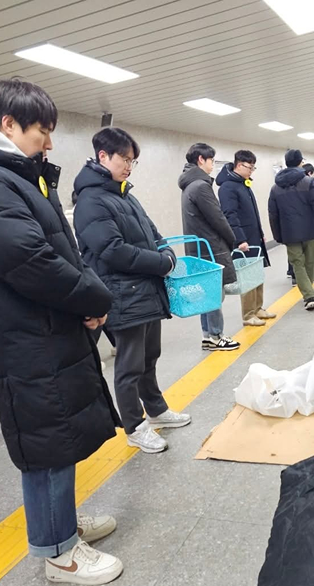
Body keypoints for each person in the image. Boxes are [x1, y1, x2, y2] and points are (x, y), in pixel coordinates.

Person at [0, 79, 124, 586]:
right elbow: (31, 261)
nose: (49, 142)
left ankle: (60, 524)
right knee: (47, 443)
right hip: (22, 339)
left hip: (39, 329)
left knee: (56, 435)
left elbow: (52, 252)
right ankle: (59, 554)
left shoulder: (6, 175)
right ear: (8, 124)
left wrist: (82, 300)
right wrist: (93, 298)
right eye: (43, 131)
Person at [73, 126, 191, 455]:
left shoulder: (125, 194)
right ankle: (134, 426)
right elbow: (112, 250)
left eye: (132, 161)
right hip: (121, 295)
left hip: (145, 290)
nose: (129, 166)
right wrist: (161, 263)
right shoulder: (90, 201)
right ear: (102, 156)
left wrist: (167, 253)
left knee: (149, 357)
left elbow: (153, 233)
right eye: (124, 159)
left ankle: (156, 409)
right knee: (129, 365)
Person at [178, 143, 241, 350]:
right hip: (211, 248)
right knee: (214, 294)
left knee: (206, 293)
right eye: (211, 160)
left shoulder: (189, 185)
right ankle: (216, 335)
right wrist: (231, 239)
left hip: (198, 249)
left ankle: (208, 335)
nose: (213, 164)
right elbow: (218, 218)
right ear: (200, 160)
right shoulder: (200, 186)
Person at [216, 150, 276, 326]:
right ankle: (248, 314)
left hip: (253, 236)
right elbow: (230, 215)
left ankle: (258, 308)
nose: (251, 171)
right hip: (244, 240)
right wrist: (240, 239)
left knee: (257, 273)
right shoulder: (228, 187)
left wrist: (260, 232)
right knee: (248, 276)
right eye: (249, 167)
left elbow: (251, 213)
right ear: (239, 164)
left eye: (253, 168)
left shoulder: (243, 184)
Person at [268, 149, 314, 311]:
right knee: (309, 262)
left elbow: (273, 215)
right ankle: (309, 295)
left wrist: (277, 235)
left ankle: (308, 294)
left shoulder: (275, 188)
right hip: (309, 229)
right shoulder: (309, 182)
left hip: (289, 233)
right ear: (299, 162)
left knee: (298, 264)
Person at [285, 163, 314, 284]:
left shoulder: (285, 184)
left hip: (289, 226)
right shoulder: (308, 184)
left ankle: (293, 273)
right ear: (310, 173)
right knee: (309, 252)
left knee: (295, 252)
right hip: (306, 225)